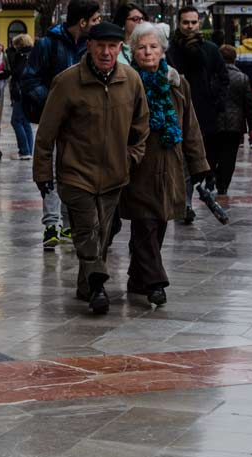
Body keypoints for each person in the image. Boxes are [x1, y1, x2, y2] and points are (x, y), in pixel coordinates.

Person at [33, 22, 149, 314]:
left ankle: (87, 287)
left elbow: (141, 126)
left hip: (114, 174)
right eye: (100, 46)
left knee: (103, 235)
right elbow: (46, 134)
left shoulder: (131, 80)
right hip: (76, 173)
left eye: (112, 47)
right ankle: (98, 286)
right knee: (86, 230)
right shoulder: (68, 82)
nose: (106, 53)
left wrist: (132, 157)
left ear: (120, 48)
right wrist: (44, 175)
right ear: (90, 47)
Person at [121, 22, 209, 306]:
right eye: (142, 47)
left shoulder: (177, 82)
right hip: (138, 164)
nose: (148, 53)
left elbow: (190, 125)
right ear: (133, 51)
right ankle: (156, 282)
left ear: (162, 50)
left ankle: (137, 278)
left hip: (170, 163)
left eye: (153, 47)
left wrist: (199, 165)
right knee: (144, 221)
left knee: (159, 222)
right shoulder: (125, 82)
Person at [21, 0, 102, 249]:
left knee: (74, 173)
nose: (99, 24)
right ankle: (51, 225)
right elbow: (29, 79)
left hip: (82, 124)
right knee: (52, 174)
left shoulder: (92, 48)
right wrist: (56, 102)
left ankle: (69, 224)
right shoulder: (48, 44)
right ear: (83, 22)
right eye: (96, 19)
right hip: (53, 120)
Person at [167, 6, 229, 223]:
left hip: (205, 114)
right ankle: (185, 204)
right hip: (178, 113)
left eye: (194, 22)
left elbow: (223, 78)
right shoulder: (170, 49)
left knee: (200, 160)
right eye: (186, 23)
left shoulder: (210, 49)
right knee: (182, 160)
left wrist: (215, 101)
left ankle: (194, 196)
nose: (190, 27)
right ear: (179, 23)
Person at [214, 45, 252, 195]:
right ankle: (223, 184)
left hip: (215, 121)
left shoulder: (213, 76)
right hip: (235, 124)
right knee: (230, 156)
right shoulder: (242, 78)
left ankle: (212, 177)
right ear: (234, 59)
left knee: (213, 151)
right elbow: (249, 105)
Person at [7, 34, 35, 160]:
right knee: (26, 121)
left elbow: (17, 72)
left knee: (16, 121)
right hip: (30, 91)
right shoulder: (33, 54)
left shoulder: (22, 56)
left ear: (20, 45)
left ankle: (24, 150)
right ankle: (29, 150)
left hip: (21, 92)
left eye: (16, 45)